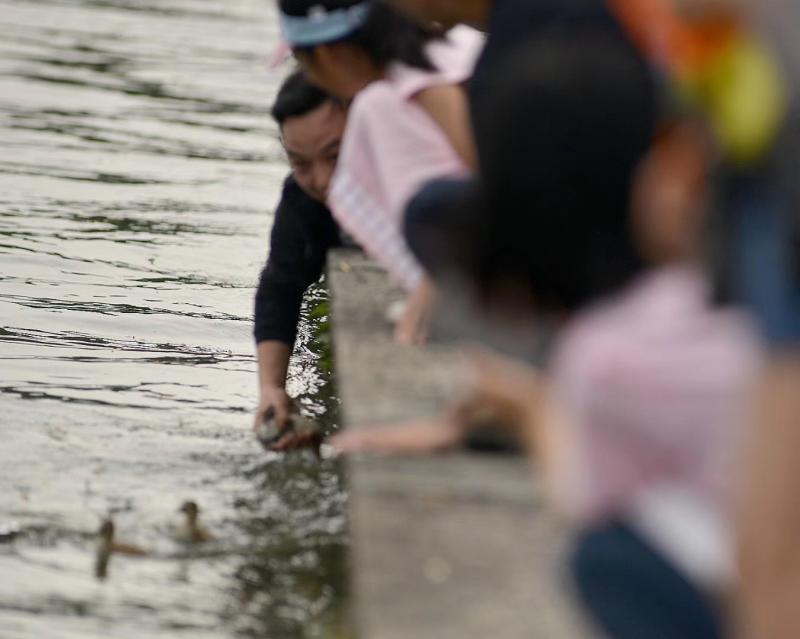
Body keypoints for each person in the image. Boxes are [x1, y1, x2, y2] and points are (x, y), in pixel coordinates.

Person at [334, 29, 765, 638]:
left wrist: (531, 410)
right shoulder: (729, 295)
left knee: (605, 558)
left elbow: (578, 491)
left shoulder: (615, 353)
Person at [277, 0, 483, 343]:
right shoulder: (440, 49)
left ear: (327, 54)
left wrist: (436, 282)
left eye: (304, 63)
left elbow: (491, 170)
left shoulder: (421, 82)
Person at [253, 71, 346, 442]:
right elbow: (280, 285)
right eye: (301, 163)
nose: (321, 181)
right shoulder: (302, 198)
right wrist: (271, 388)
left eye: (335, 157)